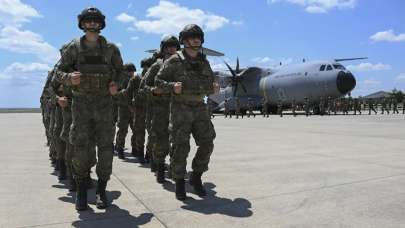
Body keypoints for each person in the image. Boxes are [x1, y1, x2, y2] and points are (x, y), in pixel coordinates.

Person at [54, 7, 124, 211]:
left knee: (105, 148)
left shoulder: (111, 48)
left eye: (96, 20)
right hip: (81, 104)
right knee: (81, 148)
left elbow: (121, 72)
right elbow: (58, 71)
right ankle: (82, 191)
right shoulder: (73, 48)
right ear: (82, 24)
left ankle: (102, 190)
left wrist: (116, 84)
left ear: (101, 24)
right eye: (88, 20)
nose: (92, 24)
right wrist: (69, 78)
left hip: (104, 104)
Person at [155, 24, 220, 200]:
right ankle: (179, 183)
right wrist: (171, 87)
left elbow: (210, 83)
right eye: (192, 37)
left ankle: (196, 176)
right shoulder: (174, 60)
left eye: (198, 36)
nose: (196, 39)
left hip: (200, 107)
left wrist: (213, 88)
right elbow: (158, 81)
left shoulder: (204, 62)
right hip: (180, 108)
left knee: (207, 143)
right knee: (180, 147)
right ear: (184, 40)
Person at [144, 35, 180, 183]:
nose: (171, 49)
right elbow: (143, 88)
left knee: (178, 140)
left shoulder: (181, 65)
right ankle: (159, 167)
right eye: (168, 46)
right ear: (163, 48)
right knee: (161, 140)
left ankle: (174, 169)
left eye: (174, 46)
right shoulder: (156, 66)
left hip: (179, 108)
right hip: (160, 109)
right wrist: (153, 91)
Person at [115, 63, 136, 159]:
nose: (132, 73)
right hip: (124, 108)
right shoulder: (123, 80)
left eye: (132, 71)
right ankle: (120, 149)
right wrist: (129, 106)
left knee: (135, 129)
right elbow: (121, 95)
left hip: (132, 108)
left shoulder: (133, 80)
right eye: (130, 71)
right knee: (123, 129)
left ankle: (134, 148)